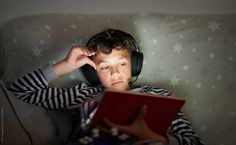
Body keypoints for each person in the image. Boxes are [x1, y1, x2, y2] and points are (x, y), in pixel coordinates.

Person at [9, 28, 204, 145]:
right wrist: (64, 66)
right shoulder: (81, 94)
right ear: (93, 71)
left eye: (122, 63)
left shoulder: (159, 96)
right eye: (104, 67)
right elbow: (21, 90)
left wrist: (156, 139)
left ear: (135, 65)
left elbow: (193, 142)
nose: (115, 73)